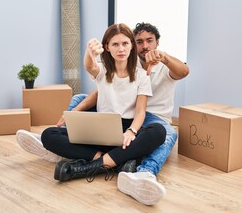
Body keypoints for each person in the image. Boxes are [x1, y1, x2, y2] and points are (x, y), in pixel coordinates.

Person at [16, 22, 189, 205]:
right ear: (108, 47)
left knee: (160, 132)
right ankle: (118, 163)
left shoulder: (143, 74)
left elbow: (141, 112)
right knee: (50, 133)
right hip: (103, 127)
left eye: (125, 44)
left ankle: (94, 167)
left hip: (131, 128)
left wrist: (131, 131)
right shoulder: (106, 69)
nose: (122, 48)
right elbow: (91, 69)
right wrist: (89, 54)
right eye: (116, 44)